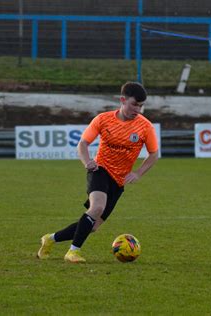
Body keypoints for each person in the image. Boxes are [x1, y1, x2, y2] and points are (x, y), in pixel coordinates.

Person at [37, 82, 159, 263]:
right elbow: (82, 144)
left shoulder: (145, 127)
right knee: (97, 207)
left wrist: (138, 173)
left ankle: (50, 239)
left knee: (92, 226)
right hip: (100, 170)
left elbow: (154, 154)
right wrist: (87, 162)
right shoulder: (103, 119)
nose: (138, 110)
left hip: (119, 182)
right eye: (134, 104)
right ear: (123, 100)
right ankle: (73, 252)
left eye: (141, 106)